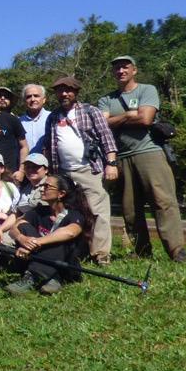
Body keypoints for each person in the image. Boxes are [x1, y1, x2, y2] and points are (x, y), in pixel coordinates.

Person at [97, 56, 186, 262]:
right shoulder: (106, 99)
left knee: (163, 202)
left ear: (134, 70)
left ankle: (176, 251)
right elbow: (103, 126)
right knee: (130, 209)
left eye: (125, 67)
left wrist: (118, 119)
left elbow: (146, 118)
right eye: (117, 68)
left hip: (149, 153)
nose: (121, 71)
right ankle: (141, 250)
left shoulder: (147, 90)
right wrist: (129, 116)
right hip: (121, 156)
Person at [43, 76, 118, 264]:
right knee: (70, 213)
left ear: (76, 92)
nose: (64, 94)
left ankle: (101, 255)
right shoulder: (53, 117)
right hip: (64, 173)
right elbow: (50, 145)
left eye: (68, 90)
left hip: (89, 169)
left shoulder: (90, 111)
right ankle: (76, 251)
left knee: (98, 211)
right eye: (60, 91)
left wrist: (111, 163)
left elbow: (105, 137)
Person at [3, 174, 88, 295]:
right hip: (33, 256)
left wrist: (35, 243)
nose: (42, 189)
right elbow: (14, 228)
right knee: (24, 226)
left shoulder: (74, 215)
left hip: (66, 265)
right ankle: (52, 278)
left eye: (46, 186)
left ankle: (33, 277)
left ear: (61, 194)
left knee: (60, 240)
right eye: (42, 185)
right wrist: (22, 239)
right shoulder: (39, 211)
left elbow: (71, 232)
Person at [20, 84, 51, 154]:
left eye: (36, 96)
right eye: (28, 97)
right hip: (25, 164)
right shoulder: (18, 122)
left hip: (49, 164)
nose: (33, 99)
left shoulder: (52, 118)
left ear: (44, 99)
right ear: (24, 101)